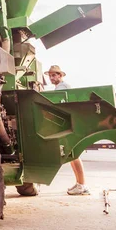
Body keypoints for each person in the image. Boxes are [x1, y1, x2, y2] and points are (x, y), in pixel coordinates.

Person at [44, 65, 90, 196]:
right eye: (50, 75)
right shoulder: (61, 87)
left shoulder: (63, 87)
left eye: (54, 75)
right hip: (69, 124)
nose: (51, 78)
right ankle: (79, 183)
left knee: (74, 155)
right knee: (71, 156)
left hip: (68, 125)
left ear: (60, 75)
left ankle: (82, 185)